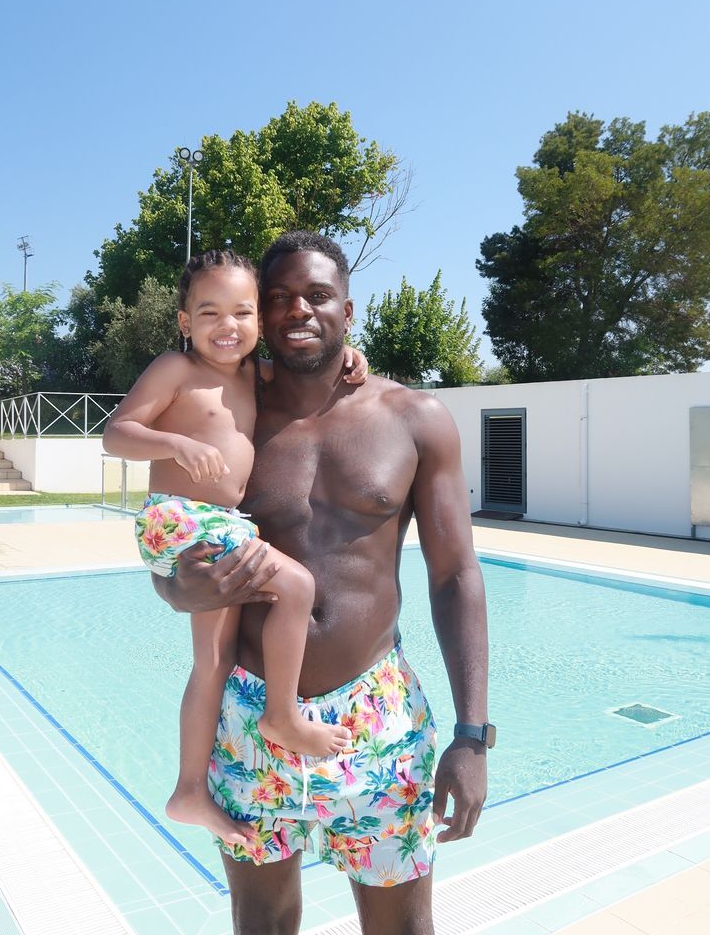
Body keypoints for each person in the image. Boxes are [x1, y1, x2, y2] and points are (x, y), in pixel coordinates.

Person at [152, 231, 492, 935]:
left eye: (315, 295)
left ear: (348, 308)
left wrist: (470, 736)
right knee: (262, 920)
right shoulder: (230, 412)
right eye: (276, 299)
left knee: (400, 925)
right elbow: (175, 562)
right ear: (257, 316)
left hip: (378, 716)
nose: (296, 310)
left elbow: (455, 575)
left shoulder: (412, 419)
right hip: (250, 714)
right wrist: (187, 589)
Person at [102, 249, 366, 850]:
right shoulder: (176, 368)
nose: (228, 326)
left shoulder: (254, 374)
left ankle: (189, 790)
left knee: (212, 663)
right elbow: (117, 433)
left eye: (243, 313)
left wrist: (347, 355)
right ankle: (282, 716)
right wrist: (173, 443)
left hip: (216, 522)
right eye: (209, 312)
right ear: (183, 321)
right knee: (296, 587)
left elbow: (311, 372)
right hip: (186, 519)